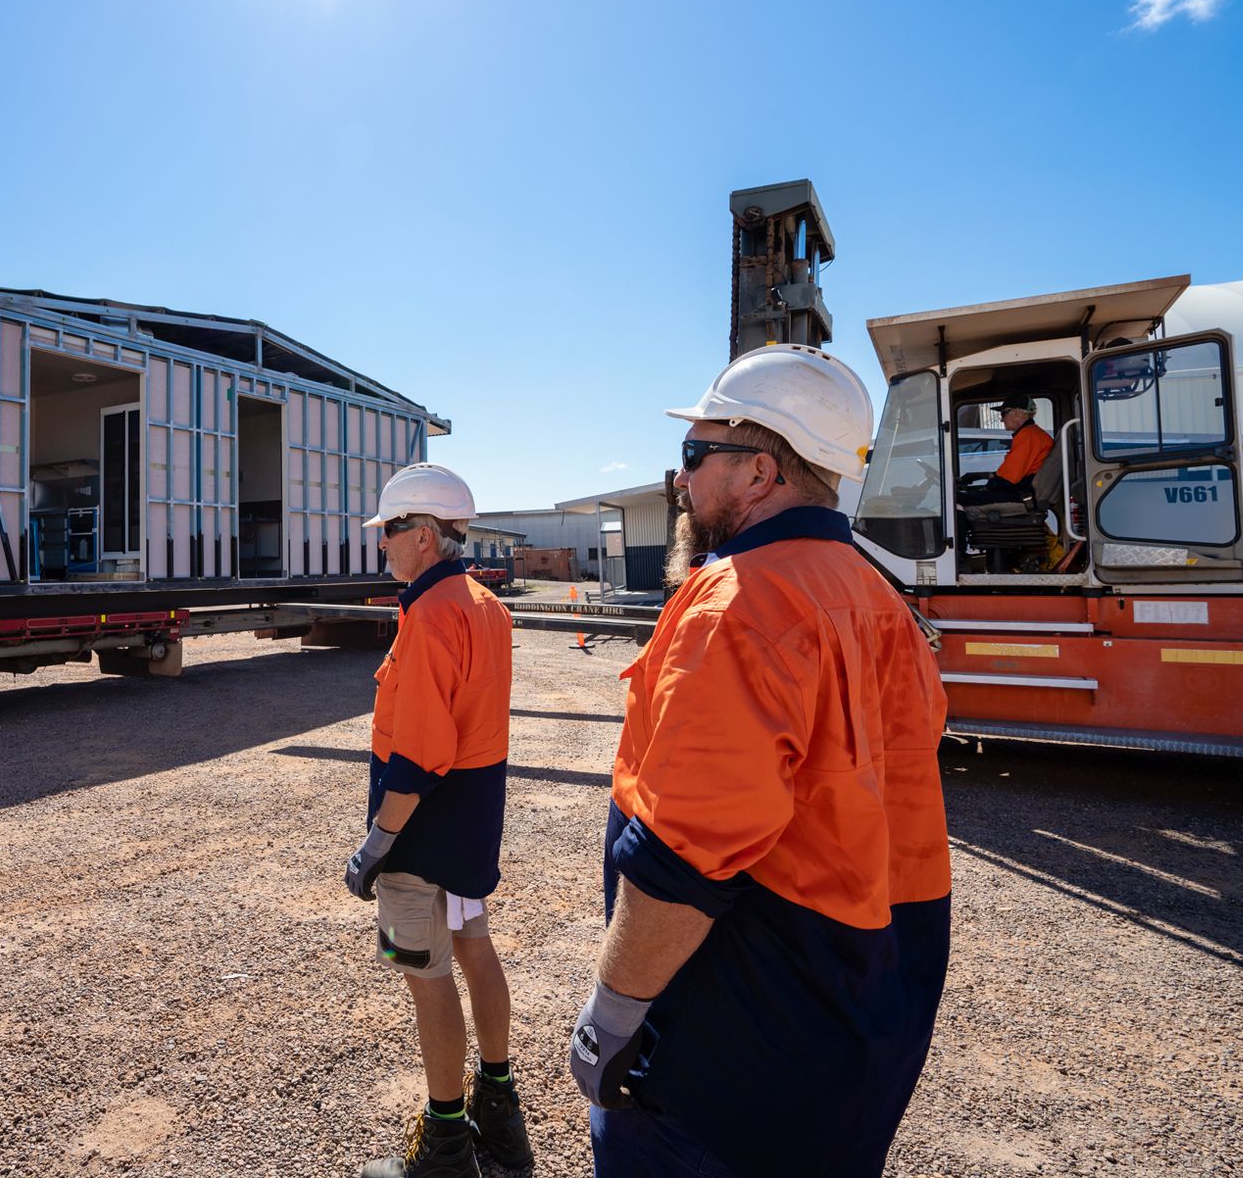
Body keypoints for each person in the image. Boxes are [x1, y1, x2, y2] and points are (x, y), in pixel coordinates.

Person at [567, 345, 952, 1177]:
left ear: (760, 473)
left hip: (728, 1058)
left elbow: (683, 857)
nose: (680, 480)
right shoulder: (878, 598)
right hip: (852, 1031)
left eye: (694, 455)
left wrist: (612, 1013)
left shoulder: (739, 601)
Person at [347, 462, 531, 1178]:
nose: (383, 545)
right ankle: (500, 1111)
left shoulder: (429, 615)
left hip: (419, 833)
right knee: (475, 949)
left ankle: (447, 1142)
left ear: (423, 536)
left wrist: (375, 846)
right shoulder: (486, 604)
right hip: (469, 823)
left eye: (390, 531)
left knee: (420, 970)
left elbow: (419, 755)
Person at [958, 394, 1052, 505]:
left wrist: (986, 488)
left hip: (1021, 494)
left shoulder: (1028, 436)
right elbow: (1009, 474)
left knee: (955, 498)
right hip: (1022, 490)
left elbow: (1008, 480)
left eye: (1003, 413)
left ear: (1016, 413)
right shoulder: (1032, 434)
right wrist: (981, 476)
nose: (1001, 419)